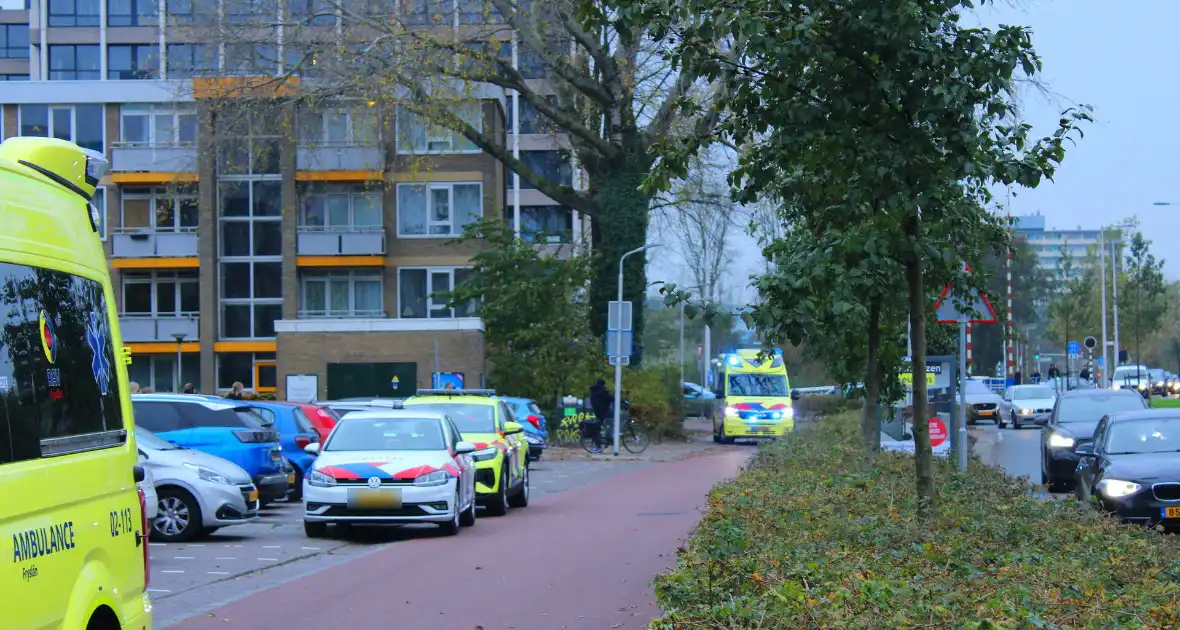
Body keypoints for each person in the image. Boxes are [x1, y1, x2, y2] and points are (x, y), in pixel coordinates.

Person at [588, 378, 613, 446]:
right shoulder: (603, 391)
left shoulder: (594, 391)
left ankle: (600, 442)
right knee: (612, 420)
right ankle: (609, 438)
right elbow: (610, 398)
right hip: (604, 411)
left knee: (599, 426)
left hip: (596, 411)